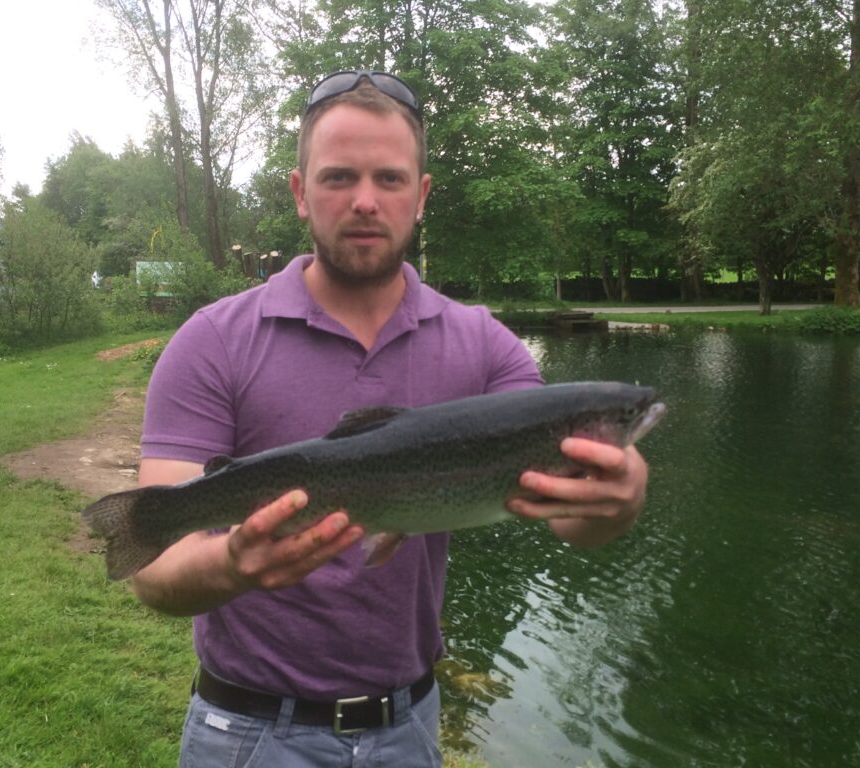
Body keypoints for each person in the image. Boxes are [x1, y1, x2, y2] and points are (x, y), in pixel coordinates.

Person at [132, 70, 650, 767]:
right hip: (250, 734)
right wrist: (233, 561)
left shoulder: (485, 347)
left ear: (422, 195)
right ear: (299, 192)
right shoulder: (213, 340)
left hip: (408, 729)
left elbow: (566, 516)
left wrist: (621, 494)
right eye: (340, 177)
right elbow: (154, 573)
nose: (366, 201)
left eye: (391, 179)